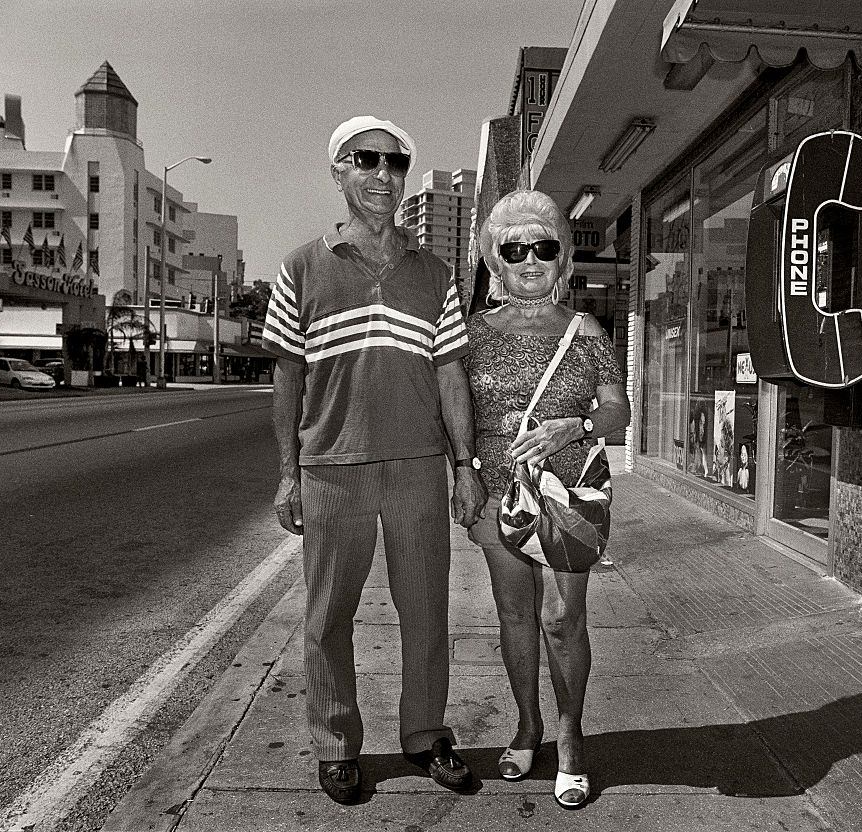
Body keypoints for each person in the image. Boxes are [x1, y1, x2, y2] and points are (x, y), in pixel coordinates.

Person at [262, 116, 488, 805]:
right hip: (334, 468)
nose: (383, 174)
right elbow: (288, 380)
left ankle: (425, 735)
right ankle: (335, 745)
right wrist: (287, 474)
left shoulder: (436, 274)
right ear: (339, 171)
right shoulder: (302, 267)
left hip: (419, 466)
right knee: (329, 615)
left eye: (395, 163)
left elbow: (452, 375)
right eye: (366, 160)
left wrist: (465, 465)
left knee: (427, 611)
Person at [464, 190, 631, 809]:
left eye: (543, 247)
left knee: (563, 621)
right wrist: (463, 474)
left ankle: (569, 740)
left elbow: (619, 407)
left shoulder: (585, 330)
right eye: (514, 249)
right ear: (494, 260)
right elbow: (453, 413)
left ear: (562, 257)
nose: (529, 259)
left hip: (568, 497)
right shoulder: (473, 335)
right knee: (514, 617)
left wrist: (578, 425)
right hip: (497, 495)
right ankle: (527, 726)